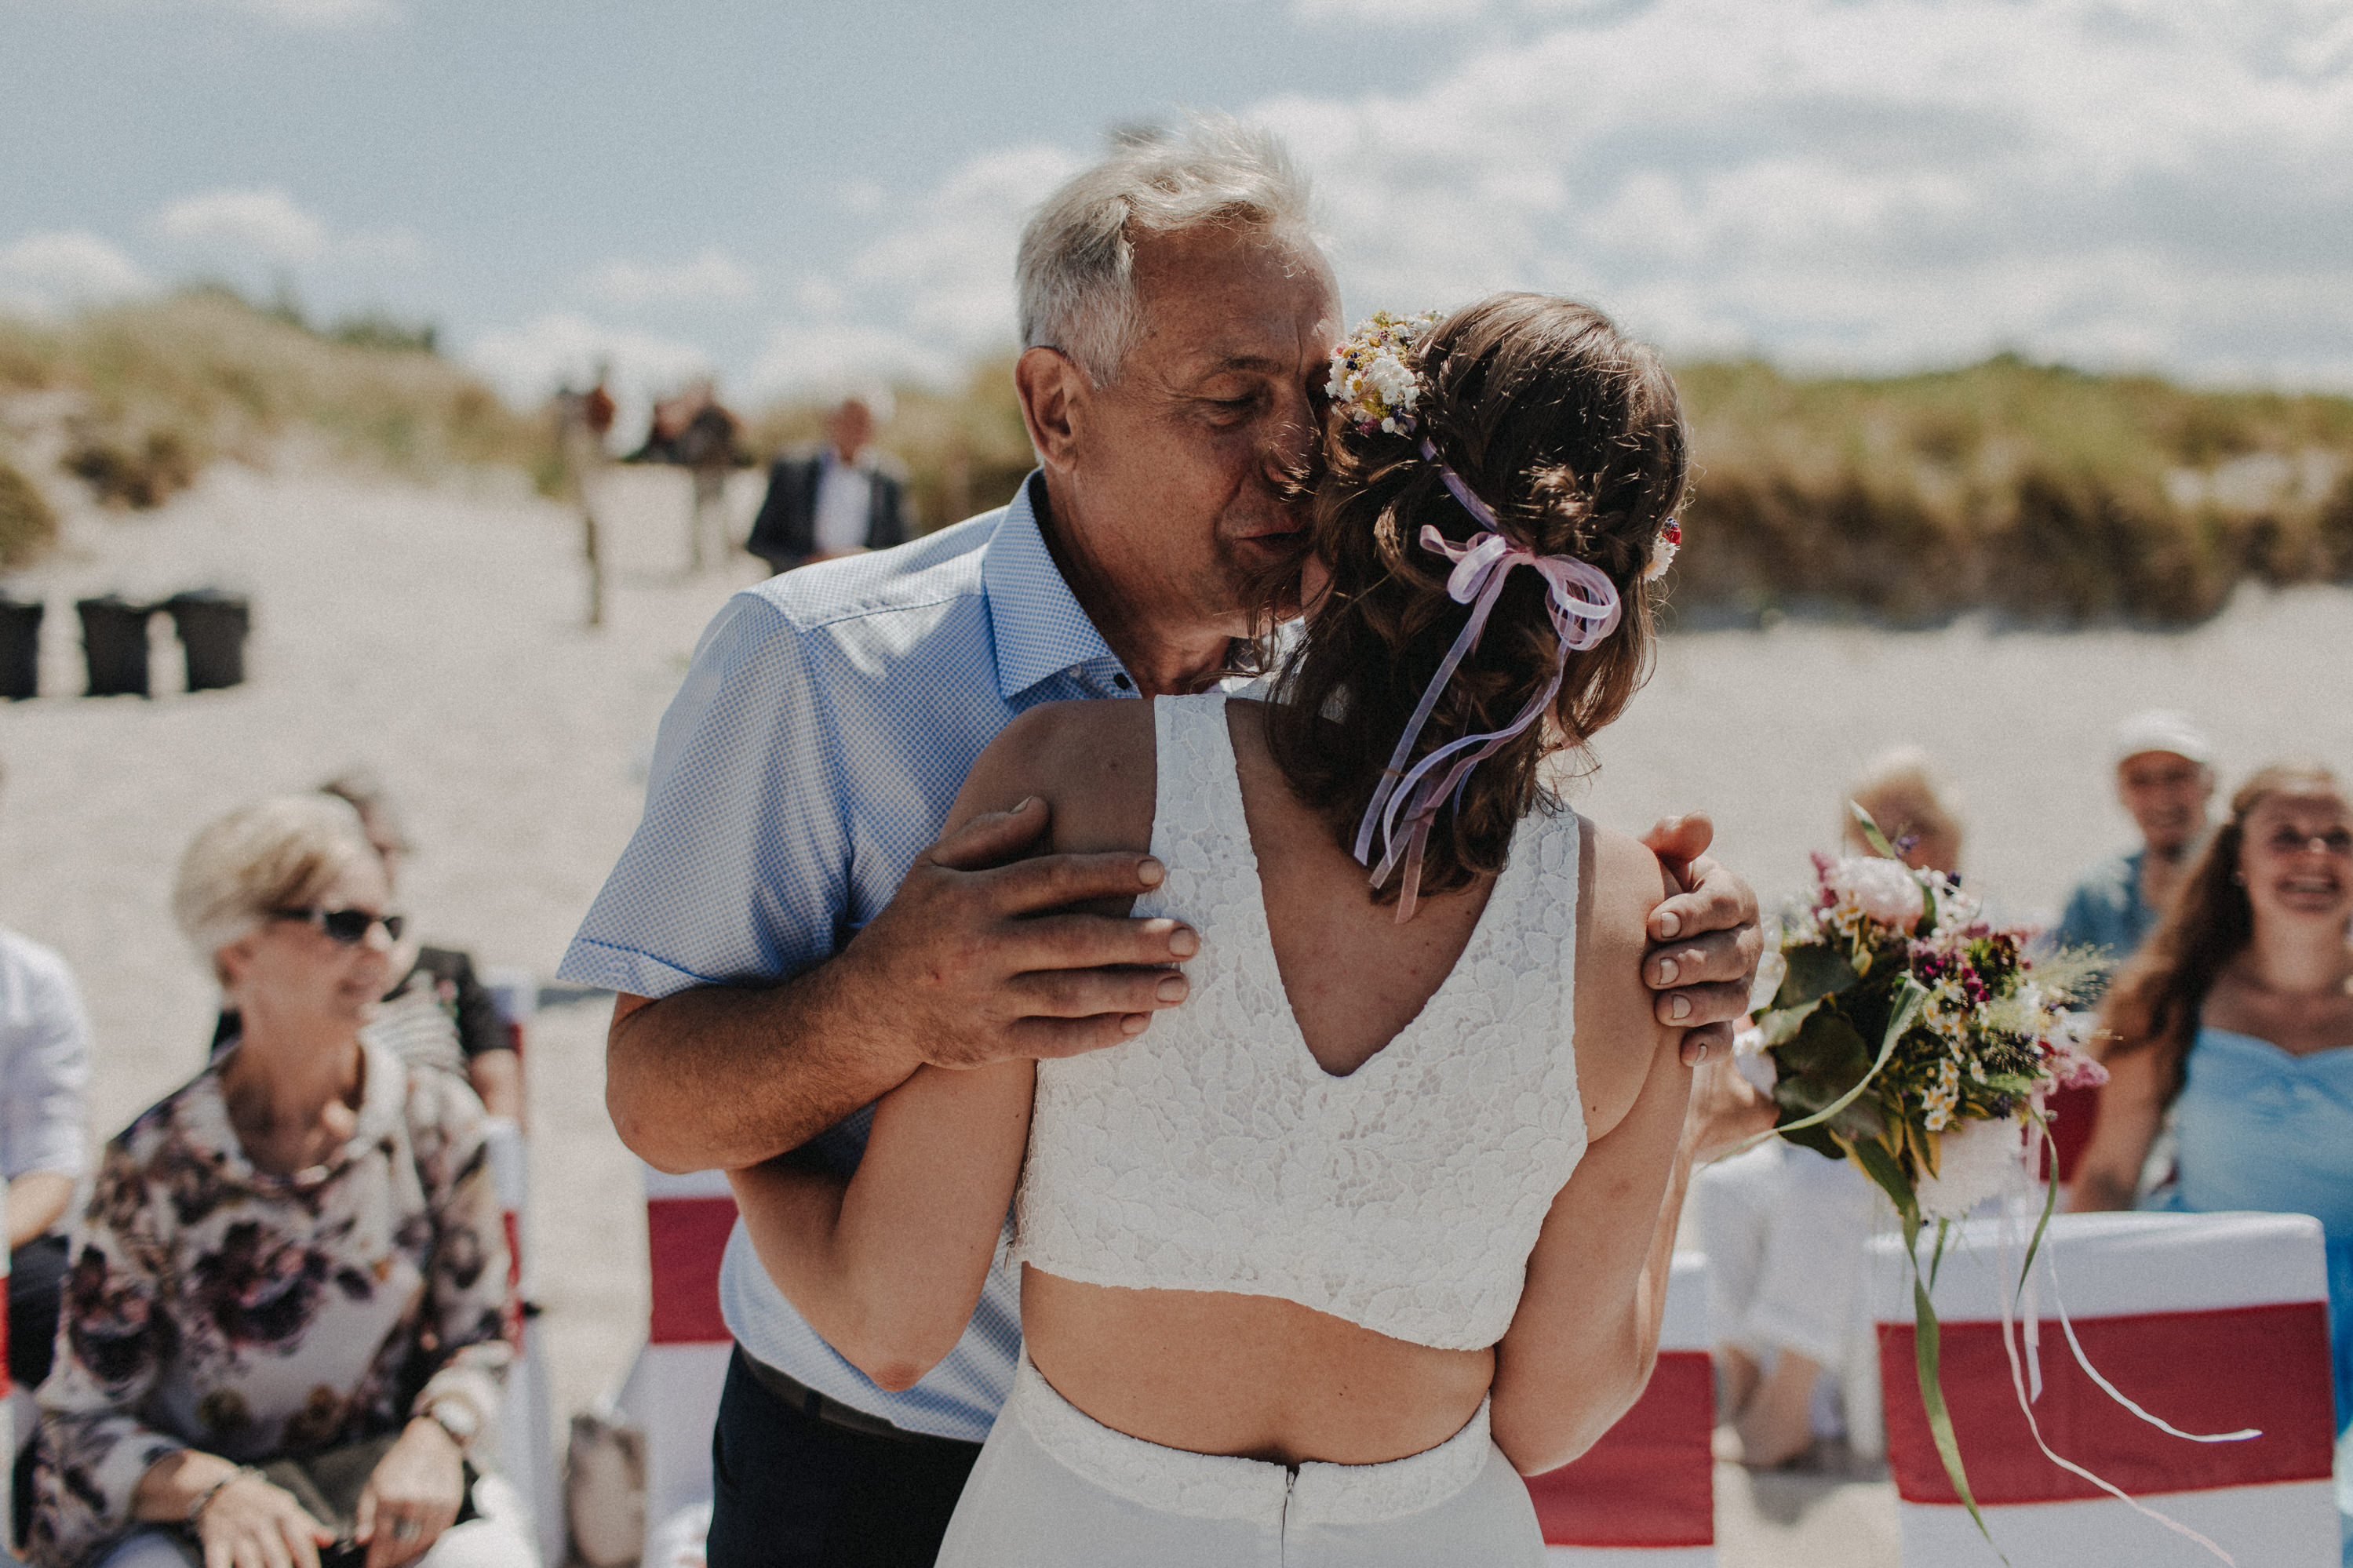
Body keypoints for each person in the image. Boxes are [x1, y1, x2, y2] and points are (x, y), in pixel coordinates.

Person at [563, 117, 1762, 1568]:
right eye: (1227, 401)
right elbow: (649, 1094)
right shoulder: (819, 665)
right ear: (1054, 407)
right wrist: (883, 1001)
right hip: (873, 1469)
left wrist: (1677, 969)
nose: (1292, 458)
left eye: (1320, 398)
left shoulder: (1365, 685)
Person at [26, 796, 529, 1568]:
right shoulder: (153, 1164)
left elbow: (483, 1340)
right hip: (198, 1515)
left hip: (378, 1494)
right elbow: (83, 1419)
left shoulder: (435, 1124)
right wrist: (216, 1494)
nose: (380, 954)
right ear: (238, 952)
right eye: (343, 923)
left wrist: (435, 1438)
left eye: (389, 926)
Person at [2068, 765, 2353, 1488]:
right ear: (2237, 860)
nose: (2314, 854)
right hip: (2206, 1295)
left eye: (2338, 838)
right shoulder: (2170, 999)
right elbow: (2107, 1173)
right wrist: (2082, 1322)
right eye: (2285, 836)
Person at [1694, 746, 1969, 1470]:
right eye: (1875, 825)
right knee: (1725, 1187)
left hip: (1932, 1153)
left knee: (1827, 1189)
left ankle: (1792, 1398)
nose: (1892, 841)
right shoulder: (1831, 935)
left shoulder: (1968, 934)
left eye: (1911, 824)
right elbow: (1777, 1036)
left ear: (1948, 832)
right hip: (1828, 1138)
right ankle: (1742, 1373)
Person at [211, 774, 521, 1122]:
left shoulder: (447, 969)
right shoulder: (271, 979)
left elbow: (500, 1098)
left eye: (381, 851)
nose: (365, 864)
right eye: (343, 925)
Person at [2053, 709, 2217, 969]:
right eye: (2141, 780)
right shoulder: (2097, 895)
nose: (2161, 797)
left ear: (2210, 782)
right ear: (2121, 793)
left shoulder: (2252, 878)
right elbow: (2061, 995)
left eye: (2176, 776)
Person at [741, 396, 909, 573]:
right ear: (830, 421)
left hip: (864, 589)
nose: (854, 429)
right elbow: (759, 541)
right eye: (847, 420)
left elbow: (905, 546)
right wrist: (807, 562)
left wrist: (867, 558)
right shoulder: (793, 469)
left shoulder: (891, 478)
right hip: (800, 589)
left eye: (862, 422)